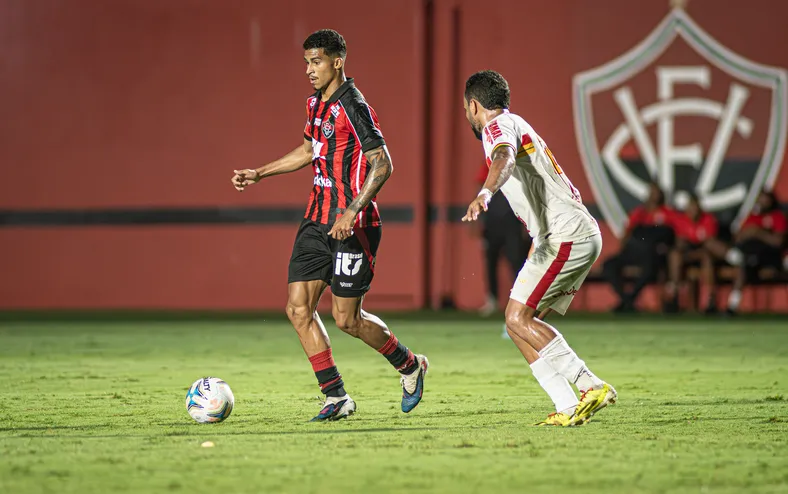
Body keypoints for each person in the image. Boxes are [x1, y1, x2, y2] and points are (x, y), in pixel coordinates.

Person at [231, 30, 428, 421]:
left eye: (316, 61)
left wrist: (351, 211)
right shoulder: (314, 104)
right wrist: (260, 173)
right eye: (306, 62)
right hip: (316, 220)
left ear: (337, 62)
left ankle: (410, 365)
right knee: (298, 308)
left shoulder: (354, 105)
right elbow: (308, 150)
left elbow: (383, 163)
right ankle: (336, 397)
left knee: (346, 320)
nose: (309, 70)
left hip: (353, 225)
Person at [461, 70, 616, 427]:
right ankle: (566, 406)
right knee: (518, 323)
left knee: (518, 318)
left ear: (473, 106)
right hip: (559, 234)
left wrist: (485, 192)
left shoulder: (496, 127)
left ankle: (590, 384)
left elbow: (504, 156)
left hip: (567, 234)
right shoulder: (515, 122)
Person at [704, 191, 786, 315]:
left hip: (763, 255)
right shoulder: (751, 216)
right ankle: (736, 257)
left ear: (771, 201)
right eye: (760, 198)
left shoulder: (777, 217)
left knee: (743, 265)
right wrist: (746, 233)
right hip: (742, 249)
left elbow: (778, 242)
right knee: (710, 244)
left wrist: (758, 232)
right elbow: (737, 238)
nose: (762, 202)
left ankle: (732, 306)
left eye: (765, 199)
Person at [603, 183, 676, 313]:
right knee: (609, 265)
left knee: (650, 268)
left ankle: (629, 299)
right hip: (633, 253)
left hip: (651, 255)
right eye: (652, 193)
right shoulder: (639, 213)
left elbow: (674, 237)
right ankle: (626, 299)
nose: (654, 197)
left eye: (657, 193)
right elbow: (627, 233)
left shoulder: (668, 214)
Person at [473, 162, 531, 318]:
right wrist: (477, 220)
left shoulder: (517, 165)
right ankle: (492, 300)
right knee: (490, 262)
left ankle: (521, 301)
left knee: (516, 262)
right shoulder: (489, 163)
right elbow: (480, 188)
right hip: (492, 224)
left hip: (512, 223)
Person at [664, 194, 718, 313]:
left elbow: (709, 242)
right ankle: (673, 296)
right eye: (691, 207)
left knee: (707, 257)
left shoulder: (708, 219)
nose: (693, 210)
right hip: (686, 253)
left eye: (696, 207)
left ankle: (710, 300)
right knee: (674, 255)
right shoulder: (679, 220)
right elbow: (679, 242)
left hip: (701, 253)